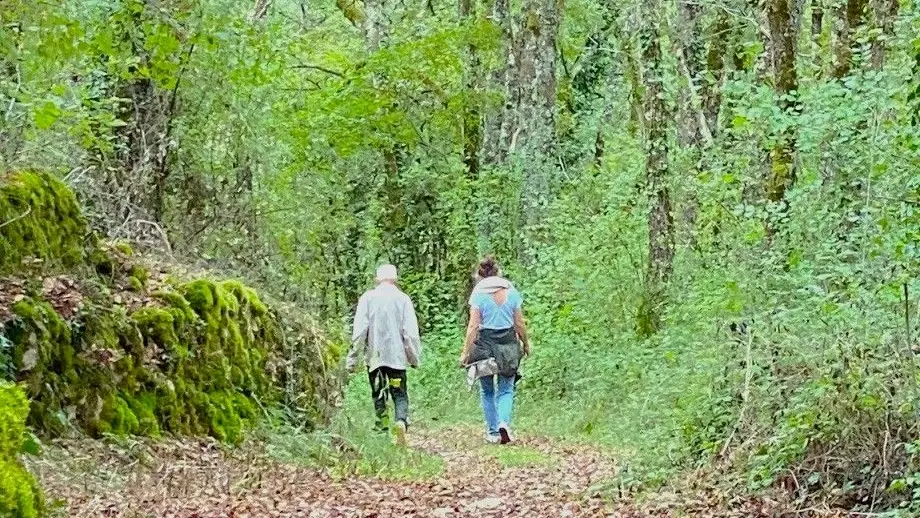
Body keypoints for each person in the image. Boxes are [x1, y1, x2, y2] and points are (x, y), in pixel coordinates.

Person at [347, 264, 421, 446]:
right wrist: (413, 358)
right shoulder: (403, 299)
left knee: (379, 393)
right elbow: (410, 333)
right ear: (396, 279)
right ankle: (401, 421)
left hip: (375, 359)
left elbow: (360, 331)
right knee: (399, 393)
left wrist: (352, 359)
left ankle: (382, 429)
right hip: (396, 360)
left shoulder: (367, 298)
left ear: (377, 279)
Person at [460, 256, 531, 444]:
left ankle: (492, 432)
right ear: (498, 272)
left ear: (480, 275)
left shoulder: (478, 294)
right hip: (508, 345)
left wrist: (466, 352)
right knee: (506, 388)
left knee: (487, 390)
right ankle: (503, 423)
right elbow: (519, 323)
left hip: (484, 346)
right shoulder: (512, 291)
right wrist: (525, 343)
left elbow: (473, 326)